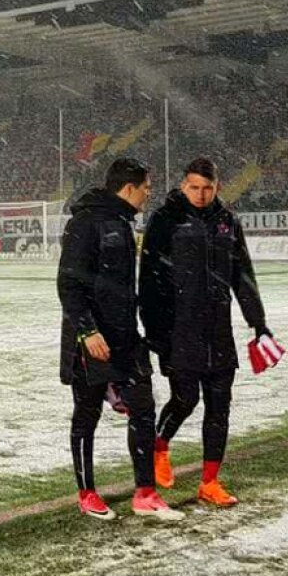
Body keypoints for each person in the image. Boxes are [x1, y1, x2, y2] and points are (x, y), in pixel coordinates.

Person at [140, 158, 281, 509]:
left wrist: (258, 323)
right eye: (194, 188)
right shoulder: (165, 220)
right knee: (185, 399)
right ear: (183, 186)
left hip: (218, 331)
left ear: (218, 187)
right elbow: (149, 282)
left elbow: (242, 275)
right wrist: (156, 333)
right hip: (179, 330)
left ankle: (210, 482)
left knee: (220, 409)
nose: (201, 195)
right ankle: (160, 446)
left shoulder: (227, 223)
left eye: (208, 188)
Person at [57, 157, 181, 521]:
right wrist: (86, 331)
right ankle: (87, 493)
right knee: (87, 416)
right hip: (92, 340)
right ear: (129, 188)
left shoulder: (123, 223)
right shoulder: (86, 222)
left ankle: (145, 493)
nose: (148, 194)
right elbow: (69, 283)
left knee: (144, 409)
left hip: (126, 338)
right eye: (146, 188)